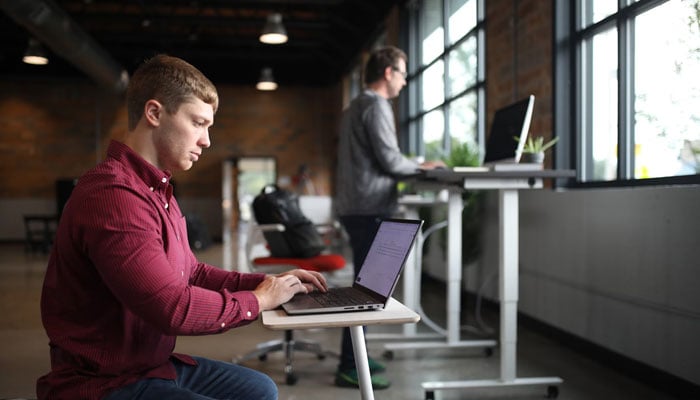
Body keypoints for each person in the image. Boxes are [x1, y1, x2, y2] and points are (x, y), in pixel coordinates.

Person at [36, 54, 328, 400]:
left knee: (260, 388)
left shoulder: (159, 192)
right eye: (198, 123)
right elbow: (171, 308)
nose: (206, 140)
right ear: (155, 113)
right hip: (104, 383)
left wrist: (270, 284)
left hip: (152, 366)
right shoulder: (113, 195)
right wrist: (259, 300)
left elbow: (191, 272)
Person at [334, 46, 443, 389]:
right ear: (388, 73)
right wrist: (423, 166)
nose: (405, 80)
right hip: (370, 207)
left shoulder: (354, 106)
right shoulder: (376, 105)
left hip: (355, 204)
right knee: (368, 290)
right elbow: (391, 161)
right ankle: (350, 365)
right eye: (403, 72)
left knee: (365, 286)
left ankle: (357, 357)